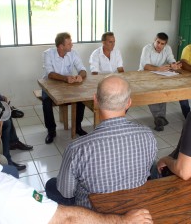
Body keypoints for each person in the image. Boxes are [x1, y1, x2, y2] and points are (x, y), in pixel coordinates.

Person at [0, 96, 153, 224]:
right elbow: (65, 218)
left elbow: (67, 192)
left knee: (53, 185)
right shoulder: (4, 188)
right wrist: (122, 221)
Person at [45, 75, 157, 209]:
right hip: (133, 208)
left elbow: (66, 193)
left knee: (51, 185)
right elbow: (149, 171)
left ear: (96, 100)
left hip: (93, 213)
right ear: (128, 103)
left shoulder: (77, 148)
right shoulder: (148, 135)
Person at [42, 32, 88, 144]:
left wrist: (80, 76)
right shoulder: (48, 54)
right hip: (50, 84)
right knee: (46, 101)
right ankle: (51, 131)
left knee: (81, 99)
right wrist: (65, 78)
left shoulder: (73, 53)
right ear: (61, 46)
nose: (72, 45)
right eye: (69, 43)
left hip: (68, 85)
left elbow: (82, 69)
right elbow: (50, 73)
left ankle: (77, 126)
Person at [139, 32, 183, 131]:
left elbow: (171, 59)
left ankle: (160, 119)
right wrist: (159, 68)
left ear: (165, 44)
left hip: (160, 75)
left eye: (162, 44)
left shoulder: (168, 48)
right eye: (158, 42)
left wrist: (174, 64)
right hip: (144, 75)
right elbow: (145, 66)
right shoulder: (147, 48)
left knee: (163, 92)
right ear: (154, 40)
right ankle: (160, 118)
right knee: (152, 93)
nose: (159, 45)